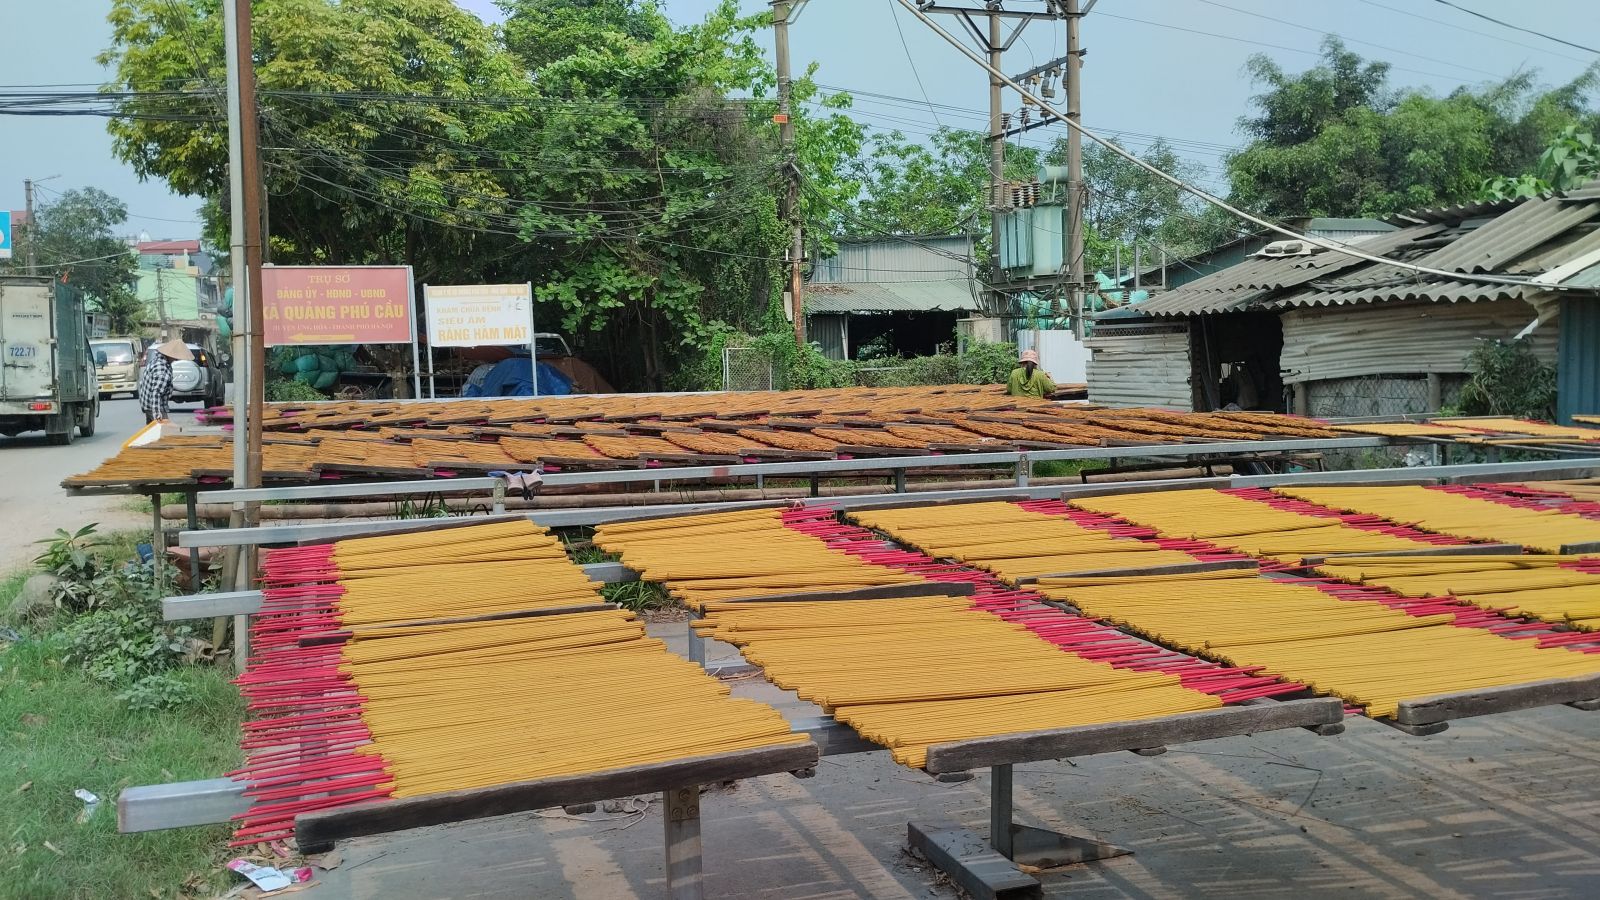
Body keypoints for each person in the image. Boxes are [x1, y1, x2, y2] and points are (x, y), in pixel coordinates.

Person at [138, 339, 191, 424]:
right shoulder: (161, 369)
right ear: (171, 355)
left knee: (152, 434)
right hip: (155, 407)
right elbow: (156, 393)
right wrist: (157, 415)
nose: (177, 359)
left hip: (148, 405)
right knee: (164, 433)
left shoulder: (157, 361)